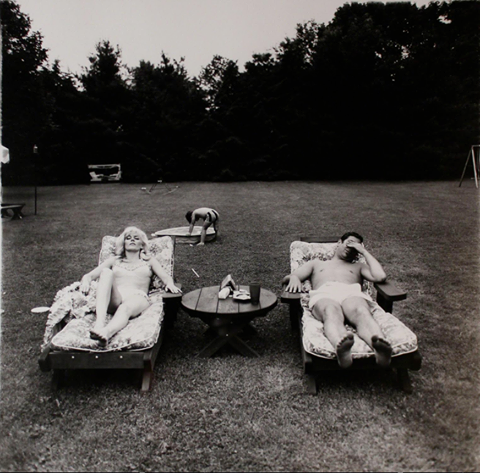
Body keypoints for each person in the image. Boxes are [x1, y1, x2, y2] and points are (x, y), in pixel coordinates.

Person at [282, 232, 392, 369]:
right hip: (324, 294)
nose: (351, 247)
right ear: (339, 242)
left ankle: (380, 348)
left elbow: (380, 276)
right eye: (349, 242)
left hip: (351, 293)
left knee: (361, 311)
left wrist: (363, 251)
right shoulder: (316, 263)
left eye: (356, 246)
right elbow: (292, 276)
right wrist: (293, 278)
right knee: (330, 311)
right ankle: (341, 348)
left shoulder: (358, 266)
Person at [80, 226, 182, 345]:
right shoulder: (114, 260)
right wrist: (86, 281)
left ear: (142, 245)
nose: (132, 240)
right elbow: (89, 275)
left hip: (137, 296)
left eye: (136, 238)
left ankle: (106, 332)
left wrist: (170, 284)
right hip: (116, 296)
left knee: (125, 308)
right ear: (124, 244)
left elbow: (165, 277)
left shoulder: (149, 261)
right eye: (128, 238)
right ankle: (99, 323)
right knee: (106, 272)